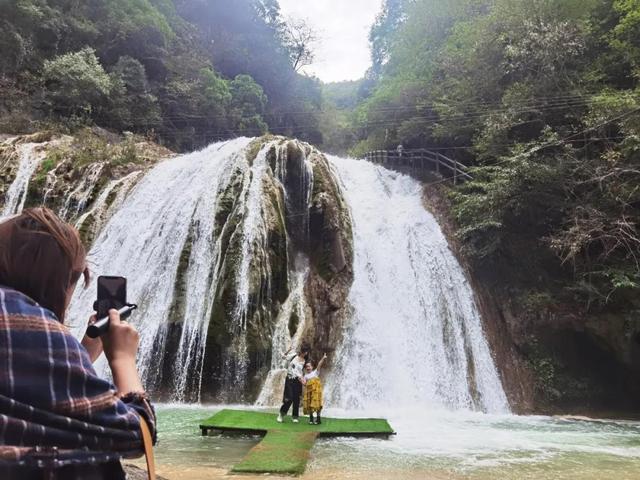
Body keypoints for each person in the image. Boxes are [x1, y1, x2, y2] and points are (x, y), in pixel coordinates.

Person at [0, 208, 156, 480]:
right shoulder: (35, 325)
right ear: (59, 281)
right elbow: (136, 435)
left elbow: (26, 393)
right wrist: (122, 359)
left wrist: (82, 353)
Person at [277, 343, 309, 423]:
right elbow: (283, 357)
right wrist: (288, 350)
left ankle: (295, 416)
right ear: (301, 351)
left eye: (306, 352)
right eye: (304, 351)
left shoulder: (305, 361)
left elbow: (302, 372)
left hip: (298, 381)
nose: (305, 353)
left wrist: (304, 380)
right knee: (289, 398)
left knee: (296, 399)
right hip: (290, 379)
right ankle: (281, 414)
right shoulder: (294, 356)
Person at [303, 353, 327, 425]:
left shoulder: (315, 373)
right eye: (306, 367)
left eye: (309, 366)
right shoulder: (306, 376)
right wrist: (301, 381)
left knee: (317, 405)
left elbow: (319, 365)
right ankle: (311, 419)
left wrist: (323, 358)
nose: (308, 368)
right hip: (309, 392)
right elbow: (304, 384)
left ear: (312, 367)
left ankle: (318, 419)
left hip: (316, 392)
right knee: (310, 405)